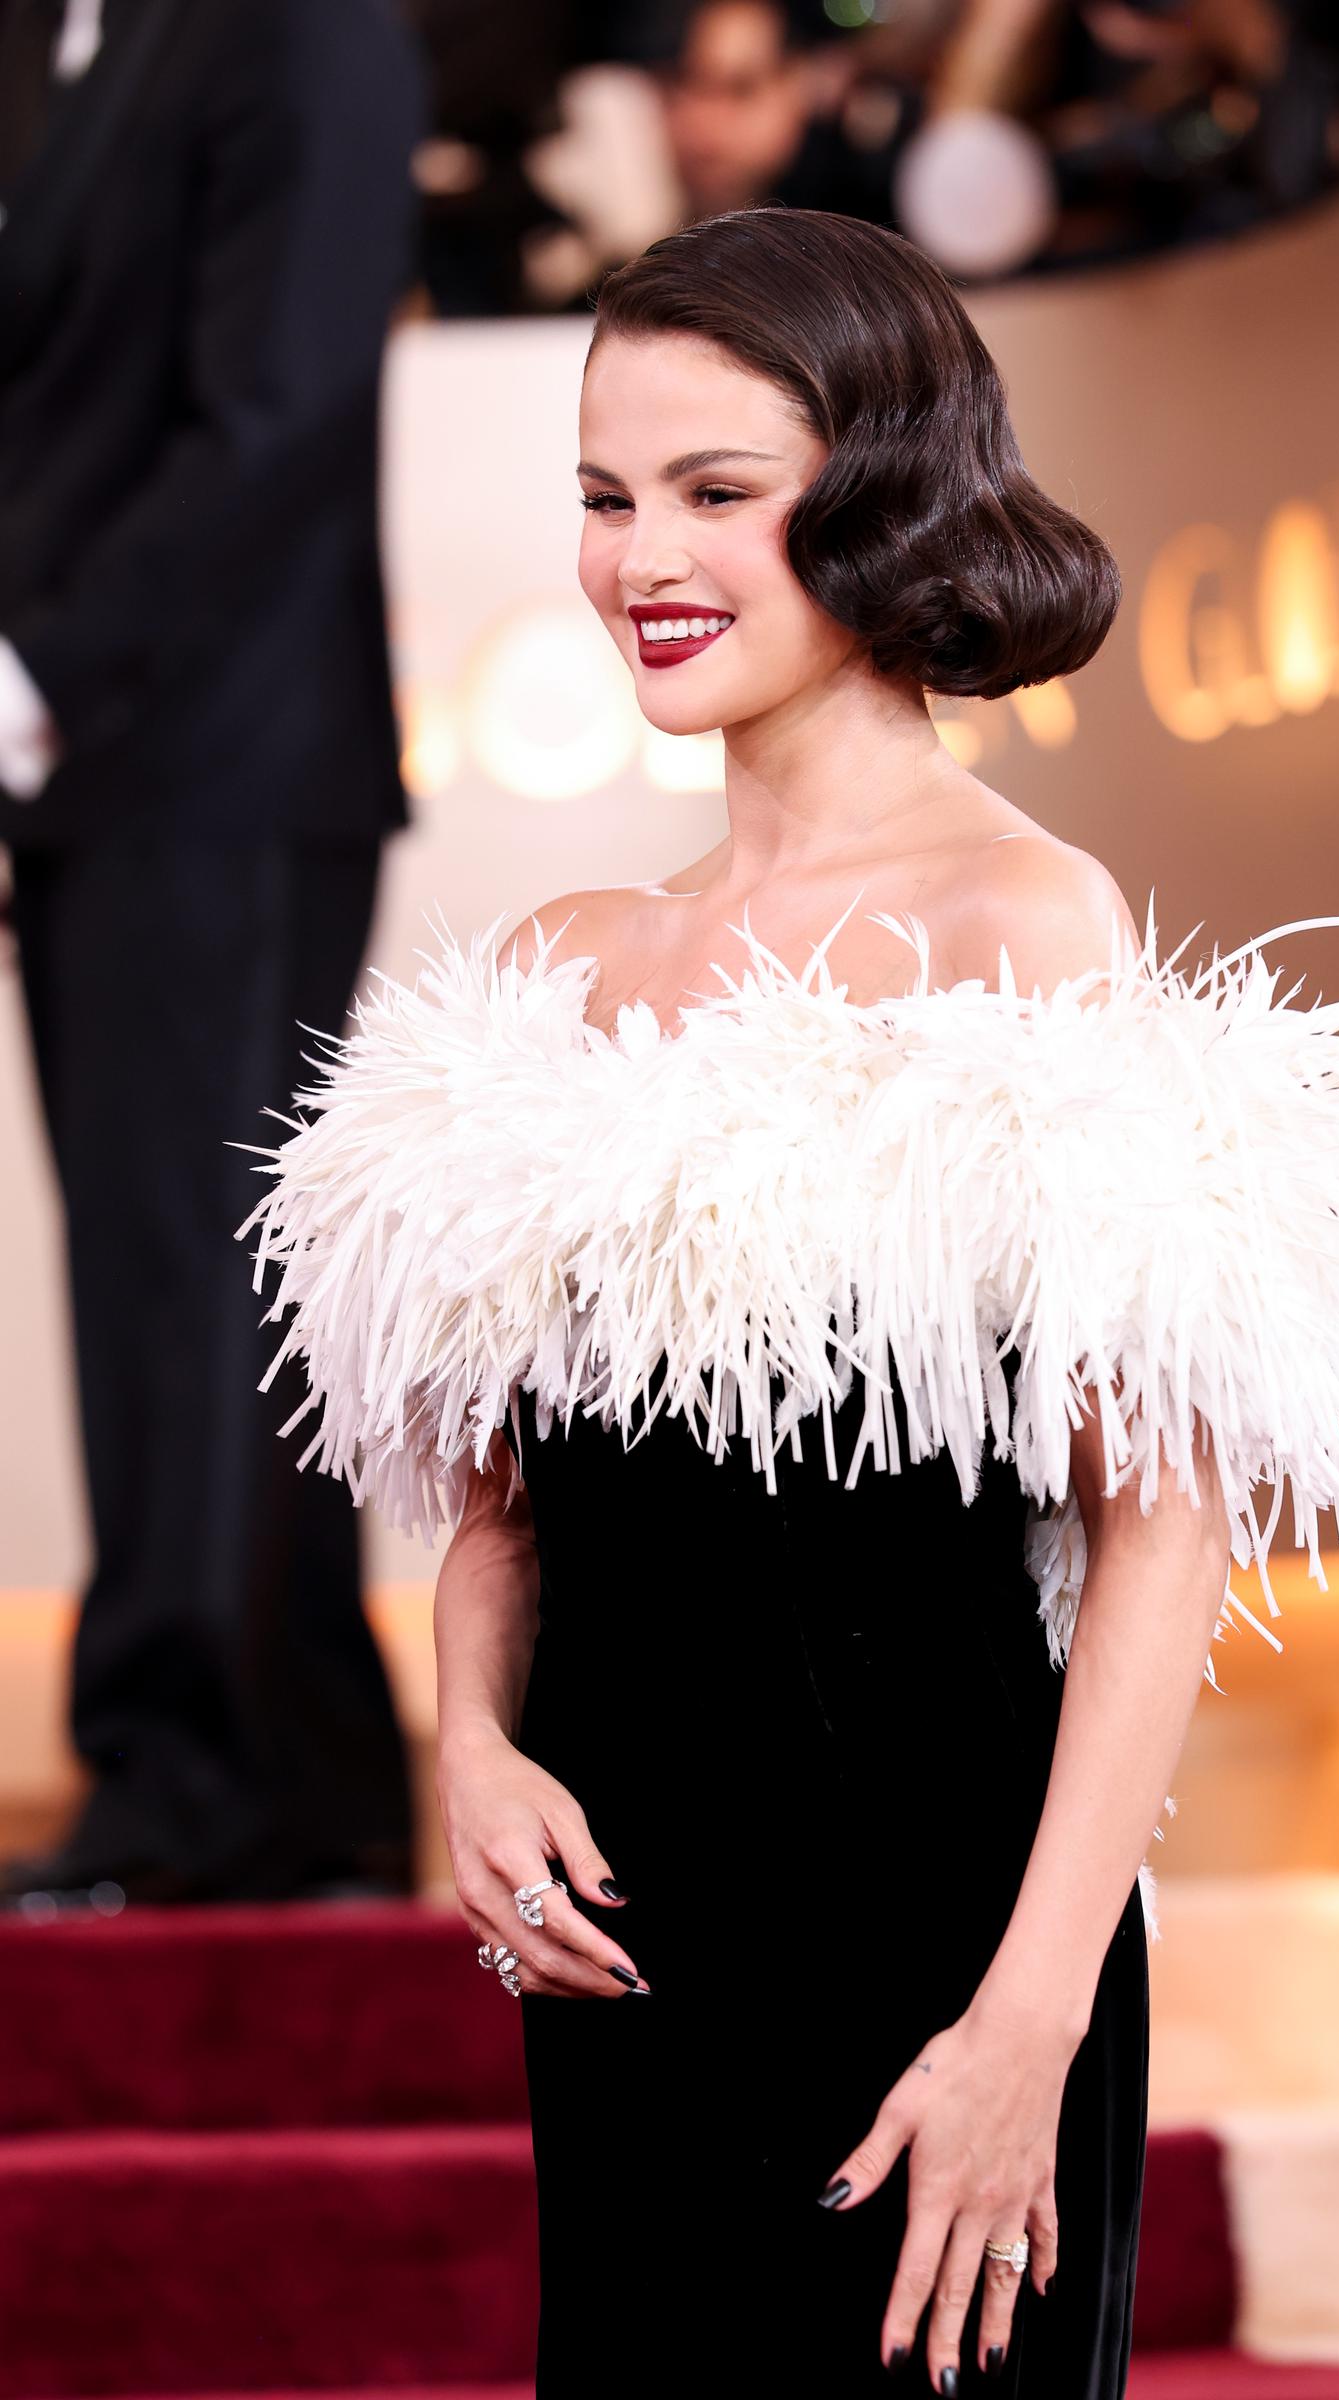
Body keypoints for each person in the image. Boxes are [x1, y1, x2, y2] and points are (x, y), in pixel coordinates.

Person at [237, 209, 1339, 2394]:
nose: (643, 557)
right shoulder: (556, 972)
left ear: (886, 494)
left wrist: (1027, 2029)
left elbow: (1160, 1523)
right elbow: (508, 1513)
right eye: (607, 495)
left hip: (945, 1939)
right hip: (627, 1952)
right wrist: (476, 1756)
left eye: (715, 491)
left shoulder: (1025, 922)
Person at [0, 0, 426, 1909]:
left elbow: (281, 409)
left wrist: (36, 672)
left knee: (200, 1279)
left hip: (229, 762)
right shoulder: (50, 32)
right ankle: (305, 1775)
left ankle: (191, 1783)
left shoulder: (304, 27)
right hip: (87, 767)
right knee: (178, 1277)